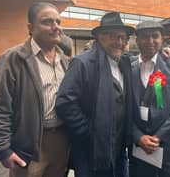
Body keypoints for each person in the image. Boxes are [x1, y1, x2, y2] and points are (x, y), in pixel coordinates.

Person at [0, 2, 70, 177]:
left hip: (60, 141)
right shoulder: (12, 59)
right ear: (30, 27)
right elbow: (0, 107)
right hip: (29, 145)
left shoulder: (64, 60)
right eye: (47, 22)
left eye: (58, 22)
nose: (56, 27)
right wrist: (2, 149)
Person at [55, 12, 136, 177]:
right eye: (114, 37)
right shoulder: (83, 63)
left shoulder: (125, 63)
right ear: (101, 37)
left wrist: (168, 54)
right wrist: (89, 132)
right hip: (91, 150)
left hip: (118, 147)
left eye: (123, 38)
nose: (120, 42)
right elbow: (65, 103)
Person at [129, 21, 170, 177]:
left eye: (155, 36)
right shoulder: (128, 67)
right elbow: (123, 110)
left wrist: (157, 137)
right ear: (136, 40)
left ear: (162, 39)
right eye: (144, 37)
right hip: (140, 151)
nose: (150, 41)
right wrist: (138, 137)